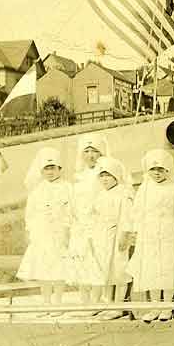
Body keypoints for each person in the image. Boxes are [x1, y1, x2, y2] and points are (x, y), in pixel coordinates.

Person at [124, 150, 174, 322]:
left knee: (167, 268)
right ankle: (155, 305)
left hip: (170, 231)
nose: (157, 173)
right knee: (152, 268)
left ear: (167, 170)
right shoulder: (144, 189)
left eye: (161, 169)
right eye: (153, 169)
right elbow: (137, 212)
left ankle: (168, 306)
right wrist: (136, 230)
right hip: (149, 232)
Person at [17, 147, 73, 316]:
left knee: (59, 268)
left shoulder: (68, 188)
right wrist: (31, 231)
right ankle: (46, 301)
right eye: (46, 169)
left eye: (53, 168)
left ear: (60, 169)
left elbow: (71, 210)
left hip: (60, 233)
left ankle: (58, 302)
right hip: (42, 233)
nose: (50, 172)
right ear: (41, 171)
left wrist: (67, 230)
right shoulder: (37, 191)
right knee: (42, 268)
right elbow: (31, 213)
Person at [68, 133, 108, 315]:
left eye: (95, 151)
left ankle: (96, 300)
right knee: (81, 261)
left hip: (98, 223)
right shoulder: (78, 177)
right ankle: (84, 301)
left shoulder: (106, 173)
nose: (91, 155)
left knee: (97, 262)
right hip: (80, 225)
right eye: (87, 151)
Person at [91, 156, 134, 320]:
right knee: (104, 270)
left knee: (119, 269)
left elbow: (127, 218)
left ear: (116, 176)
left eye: (108, 175)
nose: (105, 179)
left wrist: (124, 236)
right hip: (102, 237)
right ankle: (106, 302)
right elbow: (95, 217)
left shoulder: (124, 193)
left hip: (117, 237)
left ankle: (119, 304)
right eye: (101, 175)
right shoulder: (100, 195)